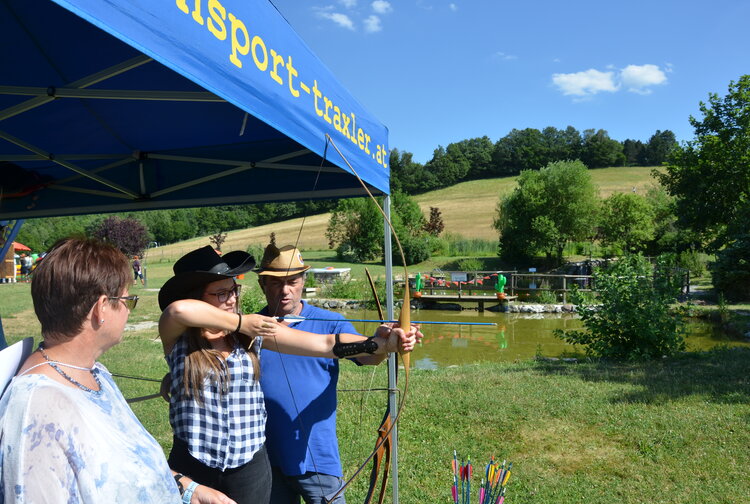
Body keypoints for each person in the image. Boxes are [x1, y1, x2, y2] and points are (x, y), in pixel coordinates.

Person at [158, 246, 416, 504]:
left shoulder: (249, 333)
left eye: (233, 291)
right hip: (194, 463)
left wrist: (380, 344)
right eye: (221, 293)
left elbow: (326, 344)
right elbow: (177, 311)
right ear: (196, 297)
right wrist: (241, 322)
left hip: (248, 468)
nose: (232, 300)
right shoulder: (180, 337)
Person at [0, 237, 235, 504]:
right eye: (128, 300)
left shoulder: (94, 372)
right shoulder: (37, 407)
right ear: (101, 308)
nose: (128, 311)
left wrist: (187, 488)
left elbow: (125, 460)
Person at [257, 241, 422, 504]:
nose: (285, 291)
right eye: (276, 283)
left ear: (303, 281)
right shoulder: (248, 328)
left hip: (315, 456)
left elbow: (368, 356)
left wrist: (386, 343)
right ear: (262, 284)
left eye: (293, 281)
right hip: (262, 458)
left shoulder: (329, 322)